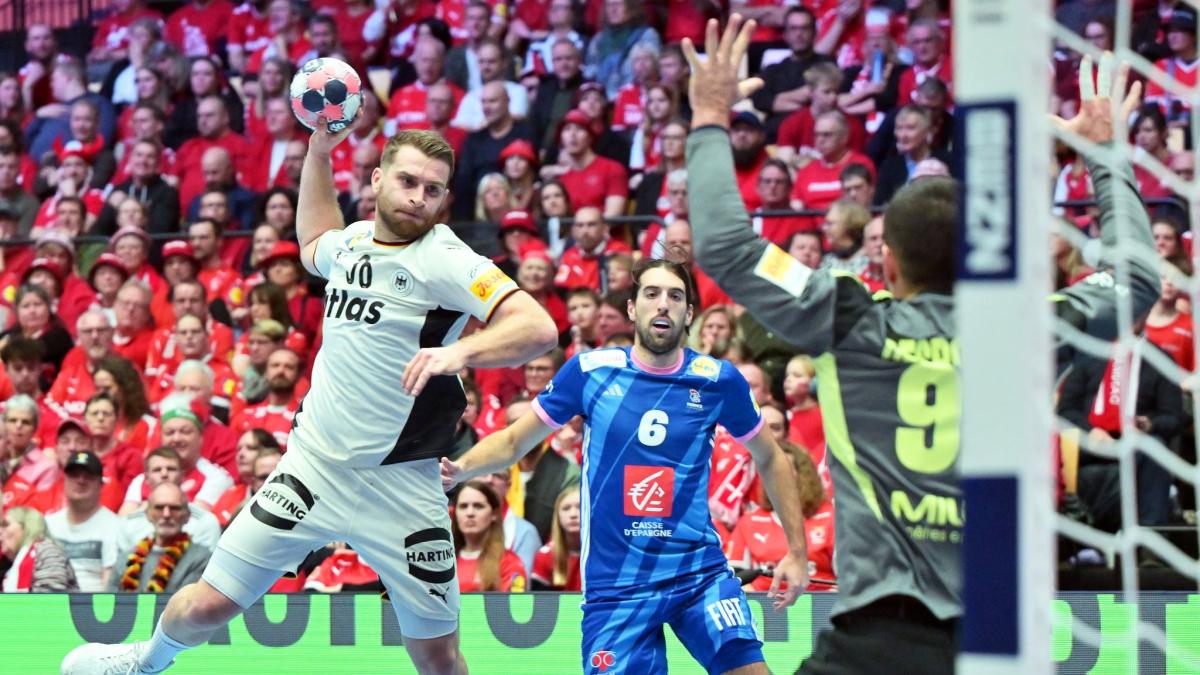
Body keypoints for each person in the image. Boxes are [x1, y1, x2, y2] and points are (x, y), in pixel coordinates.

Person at [64, 120, 558, 673]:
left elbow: (538, 328)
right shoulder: (349, 244)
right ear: (377, 179)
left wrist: (460, 353)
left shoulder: (446, 257)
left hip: (401, 486)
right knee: (206, 605)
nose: (419, 198)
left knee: (438, 654)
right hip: (312, 469)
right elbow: (314, 239)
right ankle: (144, 661)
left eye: (433, 189)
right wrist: (319, 149)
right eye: (408, 181)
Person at [444, 255, 809, 673]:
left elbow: (771, 457)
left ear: (689, 313)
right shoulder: (589, 372)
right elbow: (512, 442)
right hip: (617, 585)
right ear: (633, 309)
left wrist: (797, 552)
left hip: (697, 574)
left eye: (675, 296)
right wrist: (458, 468)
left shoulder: (717, 380)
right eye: (651, 294)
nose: (663, 304)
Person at [110, 482, 213, 592]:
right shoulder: (126, 558)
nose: (166, 514)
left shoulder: (202, 559)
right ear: (147, 514)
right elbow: (108, 603)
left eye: (175, 508)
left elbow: (188, 605)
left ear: (187, 515)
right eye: (159, 507)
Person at [45, 450, 121, 591]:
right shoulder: (49, 523)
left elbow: (109, 584)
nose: (81, 481)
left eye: (89, 476)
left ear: (101, 484)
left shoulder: (115, 526)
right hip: (49, 605)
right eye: (74, 475)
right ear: (64, 480)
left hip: (90, 607)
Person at [451, 480, 529, 592]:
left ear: (494, 514)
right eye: (463, 506)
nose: (470, 513)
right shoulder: (444, 560)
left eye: (478, 506)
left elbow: (516, 608)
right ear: (455, 513)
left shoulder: (509, 562)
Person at [1, 506, 79, 591]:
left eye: (5, 525)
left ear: (27, 526)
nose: (0, 531)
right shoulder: (5, 564)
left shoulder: (48, 551)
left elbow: (50, 600)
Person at [530, 484, 581, 591]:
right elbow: (541, 604)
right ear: (558, 517)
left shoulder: (608, 554)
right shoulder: (545, 556)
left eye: (580, 507)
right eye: (566, 508)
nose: (573, 514)